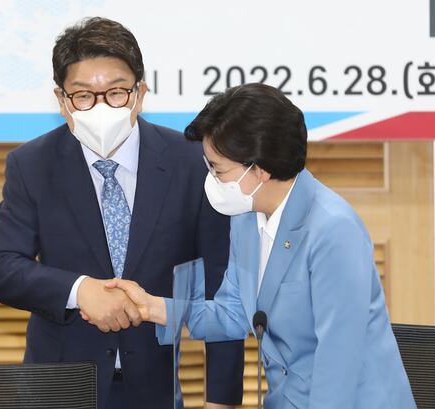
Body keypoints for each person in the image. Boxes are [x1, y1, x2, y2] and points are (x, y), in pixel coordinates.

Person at [0, 17, 244, 409]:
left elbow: (220, 286)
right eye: (83, 95)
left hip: (153, 390)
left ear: (140, 93)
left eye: (117, 92)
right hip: (58, 387)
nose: (101, 107)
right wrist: (79, 290)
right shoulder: (32, 164)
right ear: (62, 100)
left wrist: (222, 401)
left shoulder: (190, 162)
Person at [107, 83, 418, 408]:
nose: (210, 179)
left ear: (260, 171)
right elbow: (231, 314)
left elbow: (338, 362)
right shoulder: (246, 219)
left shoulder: (333, 230)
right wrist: (153, 308)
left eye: (217, 169)